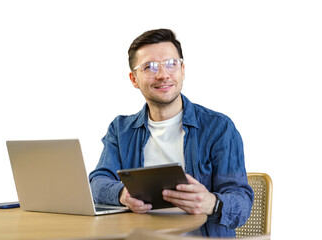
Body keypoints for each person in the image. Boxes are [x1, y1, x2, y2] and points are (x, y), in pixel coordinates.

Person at [89, 29, 254, 237]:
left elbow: (242, 202)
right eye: (149, 67)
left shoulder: (219, 128)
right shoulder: (121, 130)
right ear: (134, 79)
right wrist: (122, 194)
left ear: (182, 69)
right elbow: (98, 181)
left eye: (171, 64)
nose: (163, 75)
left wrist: (211, 202)